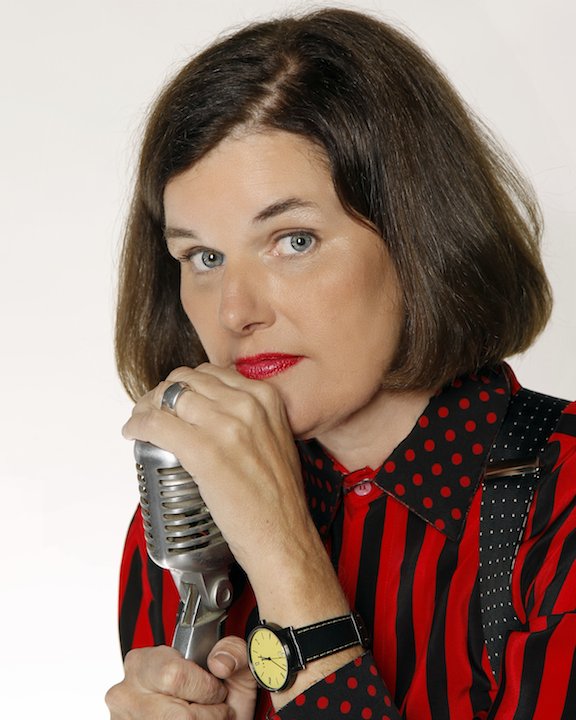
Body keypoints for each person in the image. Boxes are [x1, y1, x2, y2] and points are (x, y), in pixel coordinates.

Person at [105, 7, 576, 719]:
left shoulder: (558, 504)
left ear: (417, 239)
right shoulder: (185, 526)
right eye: (202, 256)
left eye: (293, 240)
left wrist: (284, 557)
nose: (234, 312)